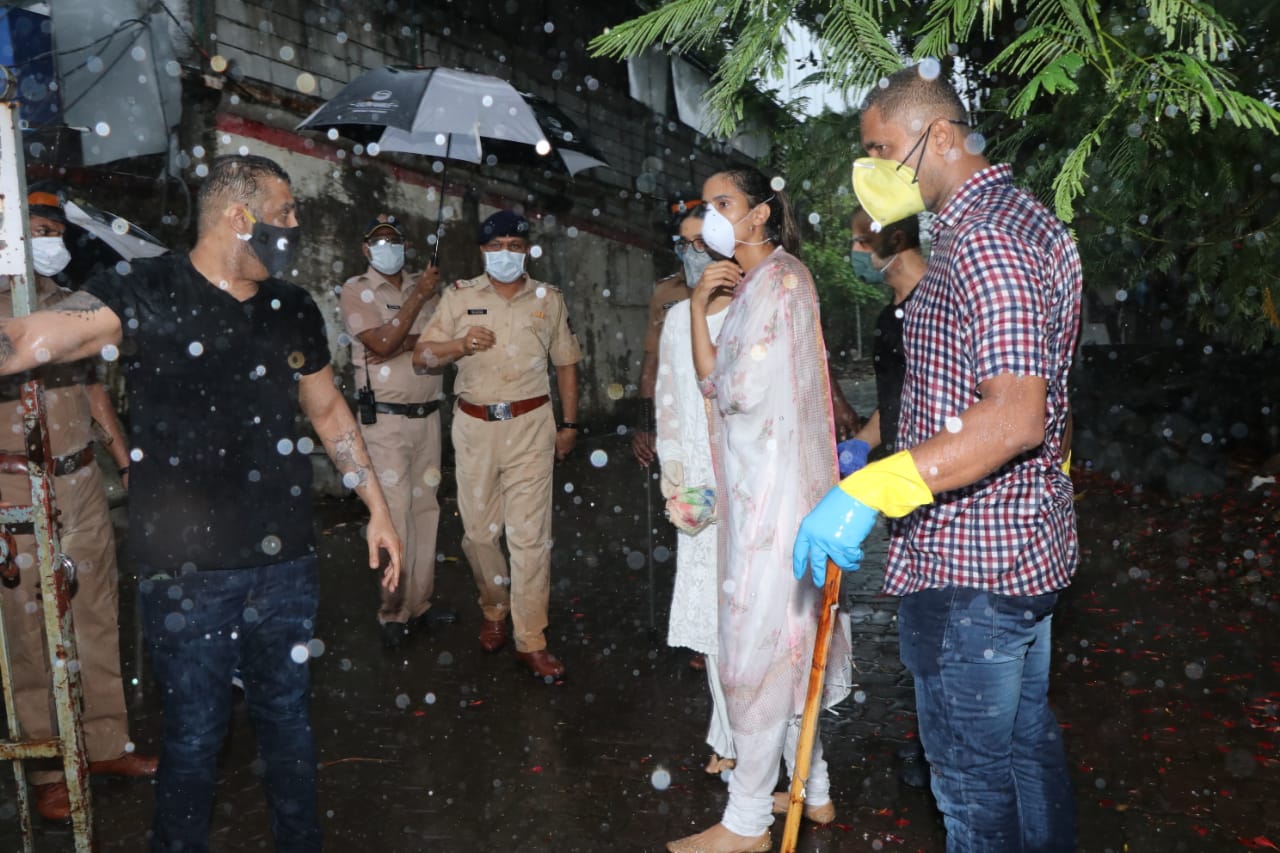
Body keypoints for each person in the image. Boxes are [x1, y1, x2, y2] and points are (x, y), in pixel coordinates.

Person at [0, 154, 403, 853]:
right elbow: (34, 338)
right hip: (186, 572)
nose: (295, 229)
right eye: (285, 214)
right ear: (237, 216)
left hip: (286, 564)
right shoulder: (143, 288)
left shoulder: (292, 307)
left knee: (289, 725)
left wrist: (379, 506)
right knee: (193, 735)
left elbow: (329, 409)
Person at [794, 65, 1081, 851]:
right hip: (1017, 551)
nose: (872, 171)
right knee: (1022, 751)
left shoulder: (987, 236)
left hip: (974, 571)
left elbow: (1016, 415)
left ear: (942, 137)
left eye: (882, 150)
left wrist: (876, 487)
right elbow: (993, 387)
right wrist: (876, 445)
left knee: (971, 788)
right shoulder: (1009, 223)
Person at [667, 167, 851, 853]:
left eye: (723, 204)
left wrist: (712, 356)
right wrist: (695, 309)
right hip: (761, 495)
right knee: (789, 638)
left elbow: (732, 390)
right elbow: (715, 380)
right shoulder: (756, 285)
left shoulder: (780, 281)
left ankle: (746, 819)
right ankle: (814, 785)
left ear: (761, 213)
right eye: (705, 205)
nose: (711, 217)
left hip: (774, 501)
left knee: (761, 644)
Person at [0, 190, 156, 822]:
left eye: (52, 230)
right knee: (30, 623)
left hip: (81, 480)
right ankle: (48, 768)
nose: (48, 240)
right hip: (13, 485)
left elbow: (94, 394)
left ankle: (104, 742)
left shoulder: (70, 306)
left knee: (94, 607)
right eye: (35, 229)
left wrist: (125, 459)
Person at [414, 210, 581, 681]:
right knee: (480, 535)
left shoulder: (548, 300)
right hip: (475, 427)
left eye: (514, 243)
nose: (505, 253)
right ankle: (494, 606)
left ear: (526, 249)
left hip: (531, 425)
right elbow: (422, 356)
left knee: (529, 539)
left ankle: (532, 639)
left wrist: (569, 424)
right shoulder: (459, 297)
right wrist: (459, 345)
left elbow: (566, 363)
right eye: (496, 245)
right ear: (482, 251)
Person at [339, 213, 454, 650]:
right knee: (394, 515)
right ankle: (392, 612)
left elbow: (435, 348)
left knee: (427, 512)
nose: (389, 246)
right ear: (366, 250)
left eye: (395, 240)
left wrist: (404, 332)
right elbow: (383, 343)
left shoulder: (425, 289)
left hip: (428, 417)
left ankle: (420, 604)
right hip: (385, 423)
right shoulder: (357, 290)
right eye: (379, 240)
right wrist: (410, 323)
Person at [653, 202, 736, 775]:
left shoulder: (762, 309)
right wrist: (675, 482)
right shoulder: (679, 318)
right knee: (713, 621)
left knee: (761, 620)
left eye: (701, 243)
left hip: (758, 487)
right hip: (704, 492)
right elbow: (670, 407)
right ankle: (728, 736)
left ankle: (795, 760)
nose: (692, 255)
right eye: (683, 244)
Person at [837, 208, 925, 472]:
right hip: (899, 469)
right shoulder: (889, 318)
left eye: (864, 241)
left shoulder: (937, 306)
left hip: (930, 472)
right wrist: (862, 443)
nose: (856, 252)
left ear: (896, 240)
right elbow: (897, 397)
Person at [631, 196, 703, 467]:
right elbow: (652, 366)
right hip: (679, 420)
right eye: (683, 242)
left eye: (700, 241)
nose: (691, 249)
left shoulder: (737, 287)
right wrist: (647, 426)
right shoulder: (665, 292)